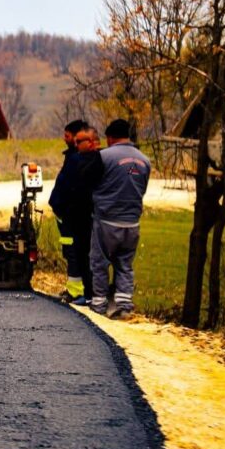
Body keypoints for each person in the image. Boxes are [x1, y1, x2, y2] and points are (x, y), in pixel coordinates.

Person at [82, 119, 151, 319]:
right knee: (124, 264)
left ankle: (99, 304)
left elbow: (88, 182)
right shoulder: (144, 160)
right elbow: (142, 188)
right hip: (132, 222)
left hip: (106, 220)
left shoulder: (103, 156)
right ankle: (124, 304)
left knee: (99, 262)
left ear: (110, 137)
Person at [50, 123, 99, 306]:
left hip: (73, 215)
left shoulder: (81, 160)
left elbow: (74, 188)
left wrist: (64, 208)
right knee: (71, 251)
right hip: (66, 214)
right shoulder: (73, 157)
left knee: (76, 253)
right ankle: (75, 290)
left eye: (69, 136)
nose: (67, 139)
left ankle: (79, 292)